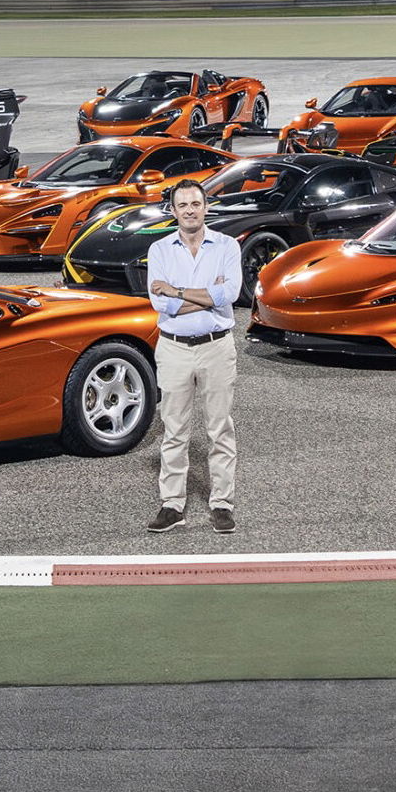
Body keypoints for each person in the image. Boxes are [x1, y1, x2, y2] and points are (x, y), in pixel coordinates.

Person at [144, 174, 243, 534]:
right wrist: (201, 296)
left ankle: (222, 503)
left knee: (220, 428)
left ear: (206, 207)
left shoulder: (227, 246)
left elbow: (229, 295)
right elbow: (160, 303)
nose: (190, 210)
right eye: (183, 205)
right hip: (173, 350)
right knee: (174, 429)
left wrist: (177, 291)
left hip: (217, 346)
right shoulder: (159, 250)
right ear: (173, 210)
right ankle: (172, 505)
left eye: (196, 203)